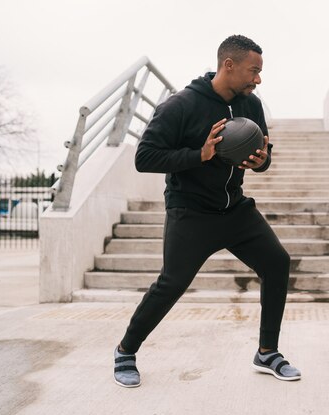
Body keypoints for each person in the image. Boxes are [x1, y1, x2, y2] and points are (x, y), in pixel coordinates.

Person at [113, 35, 301, 387]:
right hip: (191, 211)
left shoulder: (252, 106)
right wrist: (199, 155)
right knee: (171, 284)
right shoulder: (181, 106)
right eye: (253, 71)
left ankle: (267, 352)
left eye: (259, 72)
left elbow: (263, 155)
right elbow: (144, 157)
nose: (257, 79)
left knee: (277, 262)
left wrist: (261, 162)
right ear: (228, 65)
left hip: (235, 208)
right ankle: (126, 350)